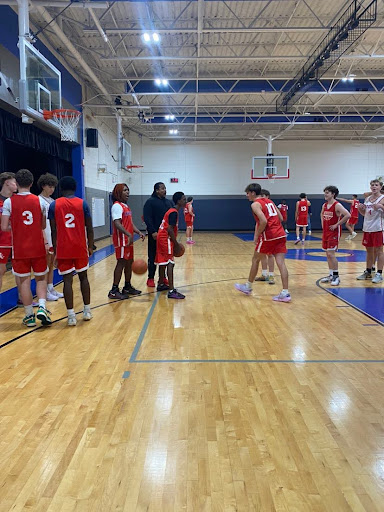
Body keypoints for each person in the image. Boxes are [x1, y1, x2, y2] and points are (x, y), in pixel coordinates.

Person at [1, 169, 51, 327]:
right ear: (31, 183)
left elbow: (4, 226)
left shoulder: (9, 202)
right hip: (37, 247)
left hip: (20, 249)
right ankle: (42, 307)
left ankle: (29, 315)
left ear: (17, 182)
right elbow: (43, 225)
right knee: (41, 278)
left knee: (23, 281)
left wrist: (16, 227)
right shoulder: (41, 201)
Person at [49, 176, 94, 326]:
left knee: (67, 281)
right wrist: (91, 245)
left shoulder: (54, 205)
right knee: (84, 278)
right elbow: (89, 227)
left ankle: (71, 316)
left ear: (61, 188)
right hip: (80, 246)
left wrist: (55, 251)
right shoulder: (83, 204)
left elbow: (53, 231)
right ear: (75, 188)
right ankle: (87, 310)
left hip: (64, 248)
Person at [235, 183, 291, 302]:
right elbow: (281, 218)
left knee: (256, 259)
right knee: (281, 263)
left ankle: (248, 287)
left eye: (248, 193)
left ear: (253, 193)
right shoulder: (269, 201)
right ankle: (285, 292)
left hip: (269, 236)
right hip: (281, 234)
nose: (247, 196)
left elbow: (264, 221)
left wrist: (256, 235)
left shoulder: (255, 204)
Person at [108, 183, 145, 300]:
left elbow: (130, 223)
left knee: (129, 262)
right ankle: (114, 290)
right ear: (118, 192)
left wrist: (138, 232)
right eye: (125, 190)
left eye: (128, 190)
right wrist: (128, 234)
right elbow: (117, 223)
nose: (128, 192)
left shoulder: (126, 206)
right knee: (121, 262)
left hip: (128, 240)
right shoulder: (117, 206)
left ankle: (127, 287)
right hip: (122, 240)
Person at [37, 172, 64, 301]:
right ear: (43, 186)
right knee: (45, 265)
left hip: (53, 236)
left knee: (52, 264)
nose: (52, 189)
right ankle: (44, 291)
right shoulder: (38, 200)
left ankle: (51, 287)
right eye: (50, 186)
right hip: (44, 236)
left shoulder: (53, 201)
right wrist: (45, 240)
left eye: (54, 186)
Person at [155, 191, 187, 299]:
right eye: (184, 199)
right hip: (165, 238)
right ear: (178, 201)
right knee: (170, 262)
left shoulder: (172, 211)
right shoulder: (174, 212)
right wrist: (176, 244)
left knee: (163, 261)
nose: (185, 201)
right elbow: (169, 229)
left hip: (161, 237)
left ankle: (161, 284)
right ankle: (172, 290)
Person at [143, 182, 173, 288]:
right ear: (156, 190)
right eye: (162, 188)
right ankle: (150, 278)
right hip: (155, 234)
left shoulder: (169, 203)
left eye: (165, 188)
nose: (164, 190)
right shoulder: (150, 202)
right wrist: (152, 231)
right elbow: (147, 218)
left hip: (165, 236)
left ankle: (163, 277)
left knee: (164, 257)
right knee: (152, 256)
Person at [319, 186, 350, 286]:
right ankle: (331, 275)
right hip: (326, 232)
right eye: (325, 192)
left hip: (334, 233)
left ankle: (336, 276)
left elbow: (347, 215)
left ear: (333, 194)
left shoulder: (337, 205)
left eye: (327, 192)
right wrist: (323, 225)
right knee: (328, 254)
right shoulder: (324, 205)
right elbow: (321, 214)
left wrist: (337, 224)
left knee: (331, 254)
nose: (325, 194)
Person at [356, 179, 384, 283]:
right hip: (367, 227)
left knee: (379, 251)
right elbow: (365, 214)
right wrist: (360, 209)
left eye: (376, 185)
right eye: (372, 185)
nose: (374, 187)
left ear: (380, 187)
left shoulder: (382, 198)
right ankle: (368, 271)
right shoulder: (367, 198)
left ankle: (379, 273)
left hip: (378, 228)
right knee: (369, 251)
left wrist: (381, 206)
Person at [0, 172, 17, 292]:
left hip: (18, 241)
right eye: (14, 182)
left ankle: (23, 299)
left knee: (21, 271)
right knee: (1, 270)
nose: (16, 185)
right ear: (6, 182)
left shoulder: (18, 200)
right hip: (2, 241)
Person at [255, 189, 275, 284]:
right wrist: (256, 234)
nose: (261, 197)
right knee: (262, 254)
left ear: (267, 196)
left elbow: (280, 218)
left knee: (270, 255)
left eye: (263, 195)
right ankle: (264, 274)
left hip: (270, 233)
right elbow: (258, 223)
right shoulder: (261, 206)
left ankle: (271, 276)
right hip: (263, 233)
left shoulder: (269, 204)